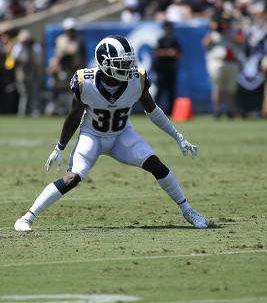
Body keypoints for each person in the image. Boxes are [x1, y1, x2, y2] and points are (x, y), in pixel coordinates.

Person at [14, 35, 207, 232]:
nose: (127, 67)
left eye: (128, 62)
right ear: (104, 63)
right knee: (72, 178)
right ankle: (27, 217)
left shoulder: (137, 80)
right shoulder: (85, 82)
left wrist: (177, 135)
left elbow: (153, 111)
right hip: (92, 136)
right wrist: (60, 146)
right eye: (121, 63)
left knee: (155, 163)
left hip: (122, 135)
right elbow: (73, 116)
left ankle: (188, 210)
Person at [202, 16, 243, 118]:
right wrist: (212, 31)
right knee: (217, 88)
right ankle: (217, 111)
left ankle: (229, 110)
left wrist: (227, 34)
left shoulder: (234, 32)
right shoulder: (214, 33)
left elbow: (240, 42)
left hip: (232, 62)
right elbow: (205, 44)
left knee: (231, 89)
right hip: (217, 62)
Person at [45, 18, 85, 116]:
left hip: (72, 74)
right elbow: (56, 57)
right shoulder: (60, 40)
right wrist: (56, 65)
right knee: (50, 112)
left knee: (75, 111)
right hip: (59, 82)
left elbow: (80, 58)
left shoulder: (78, 40)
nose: (70, 32)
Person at [10, 29, 43, 117]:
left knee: (34, 94)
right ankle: (22, 112)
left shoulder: (35, 47)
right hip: (22, 74)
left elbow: (38, 60)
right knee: (24, 94)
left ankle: (35, 112)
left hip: (33, 73)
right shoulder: (18, 47)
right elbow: (14, 58)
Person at [153, 21, 182, 115]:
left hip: (171, 69)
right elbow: (156, 52)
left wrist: (175, 53)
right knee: (160, 91)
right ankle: (153, 110)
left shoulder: (175, 40)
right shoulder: (161, 40)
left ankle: (170, 111)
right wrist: (168, 53)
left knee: (171, 92)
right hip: (162, 70)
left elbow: (180, 54)